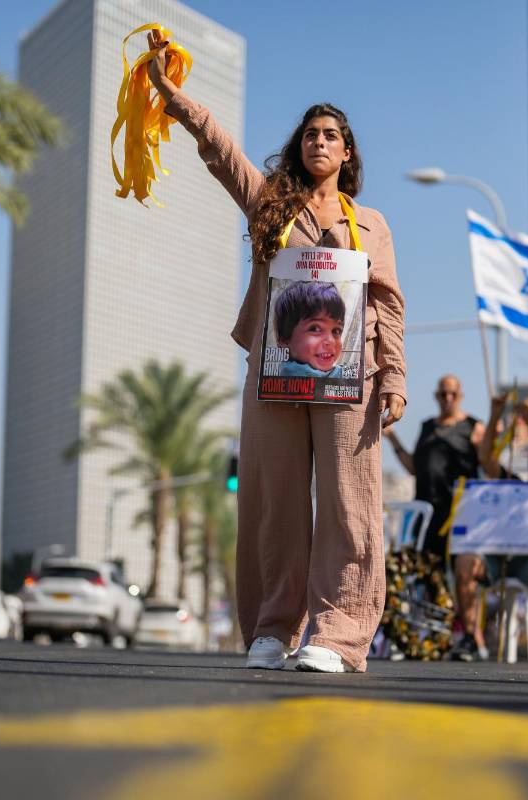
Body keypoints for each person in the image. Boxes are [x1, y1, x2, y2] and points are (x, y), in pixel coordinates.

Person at [146, 32, 405, 674]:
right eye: (309, 135)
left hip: (353, 376)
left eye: (329, 135)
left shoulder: (370, 222)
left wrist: (394, 377)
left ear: (347, 152)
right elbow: (223, 153)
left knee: (350, 503)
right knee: (273, 500)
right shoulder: (271, 204)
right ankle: (271, 629)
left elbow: (389, 303)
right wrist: (172, 98)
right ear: (300, 148)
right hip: (276, 374)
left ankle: (338, 634)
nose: (318, 142)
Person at [450, 392, 528, 664]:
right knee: (465, 563)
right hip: (495, 556)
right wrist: (495, 414)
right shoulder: (513, 482)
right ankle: (469, 637)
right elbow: (485, 457)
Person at [385, 375, 484, 558]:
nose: (448, 399)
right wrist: (392, 438)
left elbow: (487, 463)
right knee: (425, 573)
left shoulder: (473, 427)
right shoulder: (427, 427)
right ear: (436, 396)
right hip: (426, 515)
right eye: (443, 394)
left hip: (457, 516)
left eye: (453, 394)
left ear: (460, 396)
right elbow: (413, 469)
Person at [274, 281, 346, 378]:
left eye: (336, 331)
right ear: (285, 339)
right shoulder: (294, 374)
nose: (331, 341)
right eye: (315, 329)